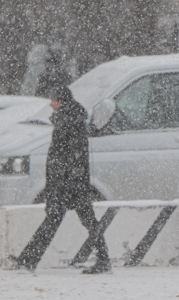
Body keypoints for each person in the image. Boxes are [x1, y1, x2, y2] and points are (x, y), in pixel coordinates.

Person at [13, 86, 111, 274]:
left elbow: (67, 156)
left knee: (56, 220)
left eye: (53, 100)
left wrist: (61, 182)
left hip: (68, 183)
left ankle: (28, 260)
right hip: (73, 181)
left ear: (61, 101)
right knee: (83, 220)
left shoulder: (68, 122)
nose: (50, 103)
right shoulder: (72, 119)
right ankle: (28, 259)